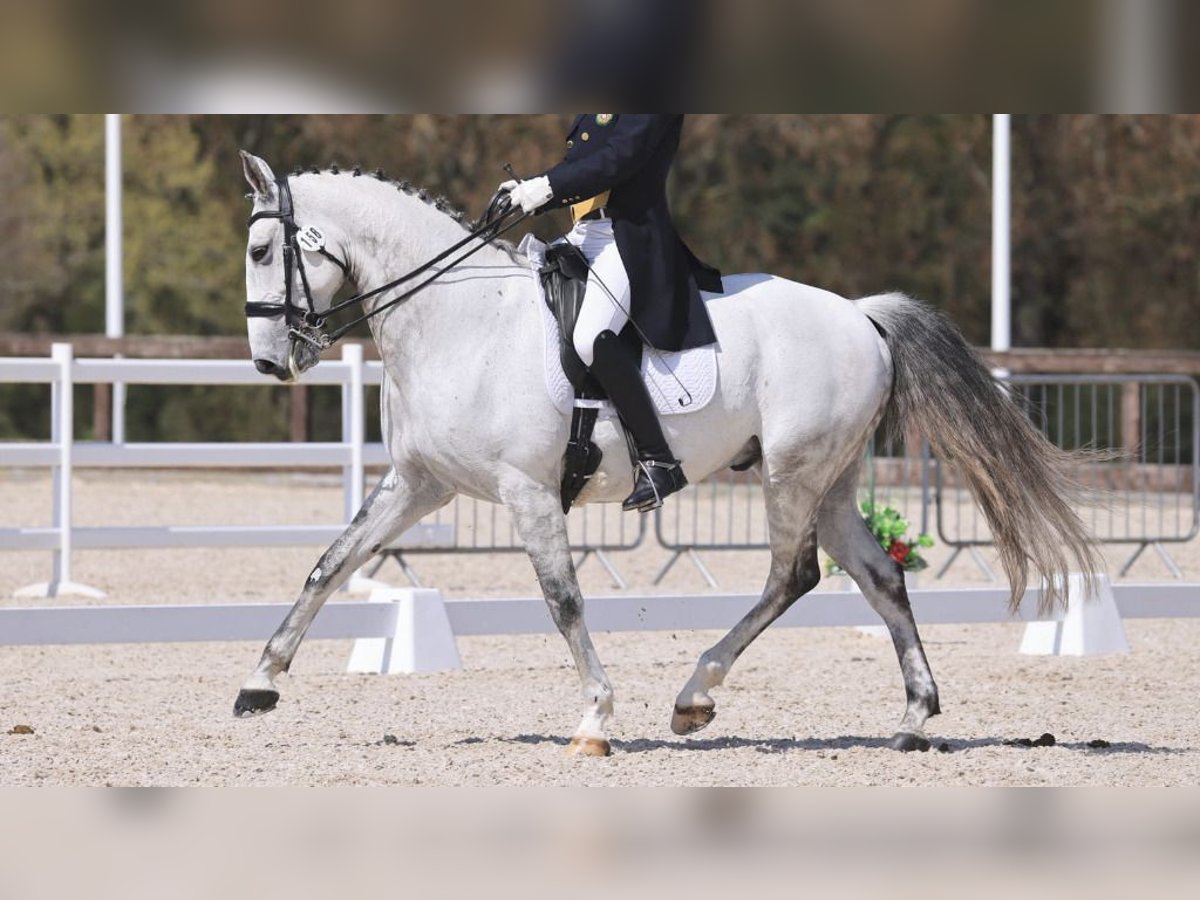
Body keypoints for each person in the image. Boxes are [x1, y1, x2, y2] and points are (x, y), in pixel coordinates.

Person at [500, 114, 723, 512]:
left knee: (590, 336)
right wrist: (532, 187)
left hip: (627, 237)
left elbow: (618, 159)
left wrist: (548, 186)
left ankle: (658, 460)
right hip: (584, 233)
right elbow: (580, 166)